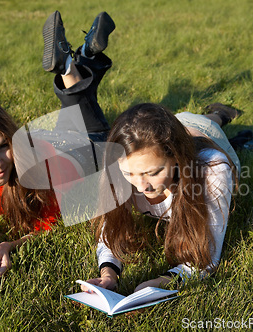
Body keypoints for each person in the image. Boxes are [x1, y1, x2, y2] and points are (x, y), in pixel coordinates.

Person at [0, 10, 116, 280]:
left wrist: (11, 245)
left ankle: (74, 63)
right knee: (81, 102)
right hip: (57, 141)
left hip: (86, 155)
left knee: (93, 126)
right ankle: (82, 57)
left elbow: (50, 222)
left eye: (4, 146)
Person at [83, 103, 241, 292]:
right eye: (129, 173)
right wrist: (108, 273)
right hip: (174, 126)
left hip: (204, 134)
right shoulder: (119, 166)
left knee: (208, 123)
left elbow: (208, 259)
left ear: (176, 157)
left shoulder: (213, 169)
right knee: (181, 122)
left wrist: (162, 282)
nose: (141, 186)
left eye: (153, 172)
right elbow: (111, 231)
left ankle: (220, 114)